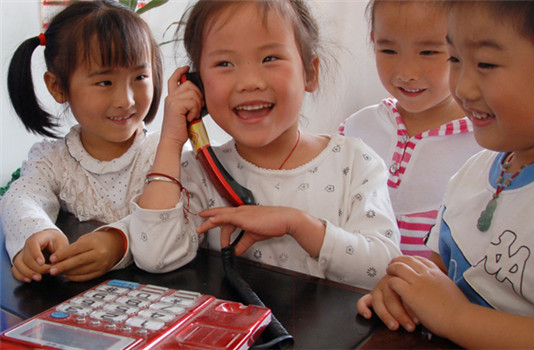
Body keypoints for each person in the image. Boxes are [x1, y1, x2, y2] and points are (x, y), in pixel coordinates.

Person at [127, 0, 401, 289]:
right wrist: (171, 140)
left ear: (310, 73)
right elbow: (154, 256)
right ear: (198, 86)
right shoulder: (197, 173)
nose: (249, 82)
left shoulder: (355, 163)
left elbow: (384, 270)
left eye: (270, 58)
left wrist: (298, 224)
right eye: (224, 64)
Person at [357, 1, 534, 348]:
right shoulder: (473, 173)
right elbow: (437, 273)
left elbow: (450, 310)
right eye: (456, 59)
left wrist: (457, 318)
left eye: (486, 64)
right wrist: (404, 289)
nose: (462, 87)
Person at [0, 0, 163, 283]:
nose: (126, 100)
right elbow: (20, 197)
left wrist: (119, 242)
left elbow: (180, 223)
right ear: (57, 86)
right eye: (105, 82)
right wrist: (37, 232)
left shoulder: (165, 153)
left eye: (139, 76)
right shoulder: (53, 159)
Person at [339, 0, 482, 257]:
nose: (406, 73)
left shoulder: (484, 144)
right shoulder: (355, 130)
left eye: (428, 52)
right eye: (388, 51)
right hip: (350, 292)